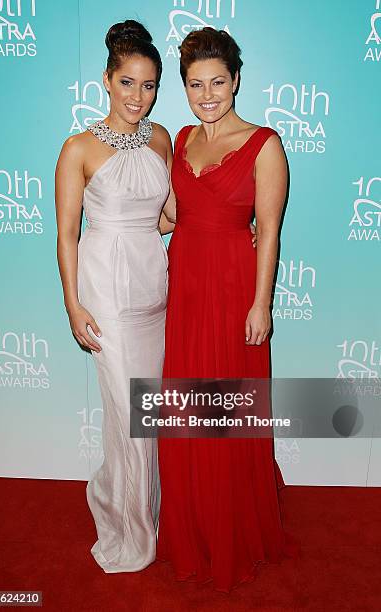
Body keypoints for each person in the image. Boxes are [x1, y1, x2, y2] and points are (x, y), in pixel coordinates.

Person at [157, 28, 300, 592]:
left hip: (234, 288)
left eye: (218, 81)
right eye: (196, 84)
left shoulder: (266, 144)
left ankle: (233, 531)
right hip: (185, 286)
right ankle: (191, 528)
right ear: (186, 89)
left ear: (237, 80)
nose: (207, 93)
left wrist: (261, 302)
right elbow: (171, 214)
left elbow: (269, 232)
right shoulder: (183, 137)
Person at [55, 19, 175, 573]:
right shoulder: (77, 147)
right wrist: (73, 305)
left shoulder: (160, 138)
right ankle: (131, 531)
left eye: (148, 85)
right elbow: (67, 233)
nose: (138, 96)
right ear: (106, 80)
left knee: (144, 412)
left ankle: (133, 505)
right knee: (131, 414)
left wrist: (226, 224)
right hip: (104, 287)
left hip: (153, 283)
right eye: (128, 83)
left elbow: (169, 216)